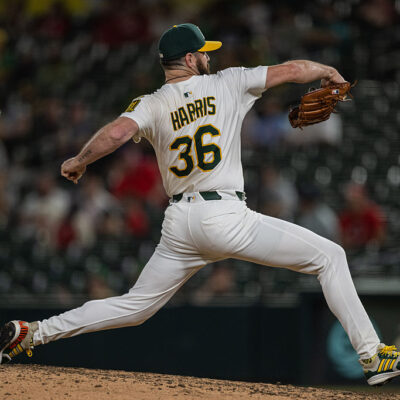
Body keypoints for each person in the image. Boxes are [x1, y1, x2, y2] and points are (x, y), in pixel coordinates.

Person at [0, 23, 398, 386]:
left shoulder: (151, 102)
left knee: (135, 307)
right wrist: (327, 70)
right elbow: (293, 69)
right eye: (204, 52)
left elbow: (118, 132)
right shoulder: (229, 82)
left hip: (180, 223)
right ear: (190, 58)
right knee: (329, 256)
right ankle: (371, 356)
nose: (209, 57)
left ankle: (33, 332)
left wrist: (79, 160)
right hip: (225, 215)